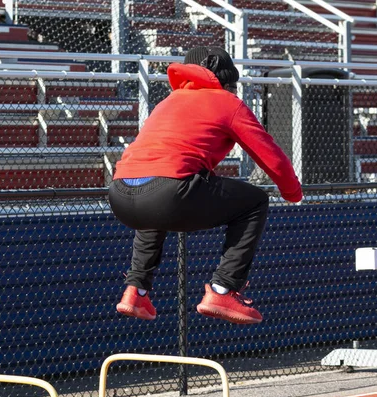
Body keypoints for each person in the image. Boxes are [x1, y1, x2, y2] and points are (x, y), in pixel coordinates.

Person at [108, 45, 302, 325]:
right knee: (255, 201)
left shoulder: (167, 102)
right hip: (170, 192)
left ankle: (136, 290)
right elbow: (269, 154)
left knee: (154, 203)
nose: (234, 91)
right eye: (232, 85)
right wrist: (292, 192)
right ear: (225, 81)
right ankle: (224, 289)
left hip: (121, 194)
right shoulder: (226, 102)